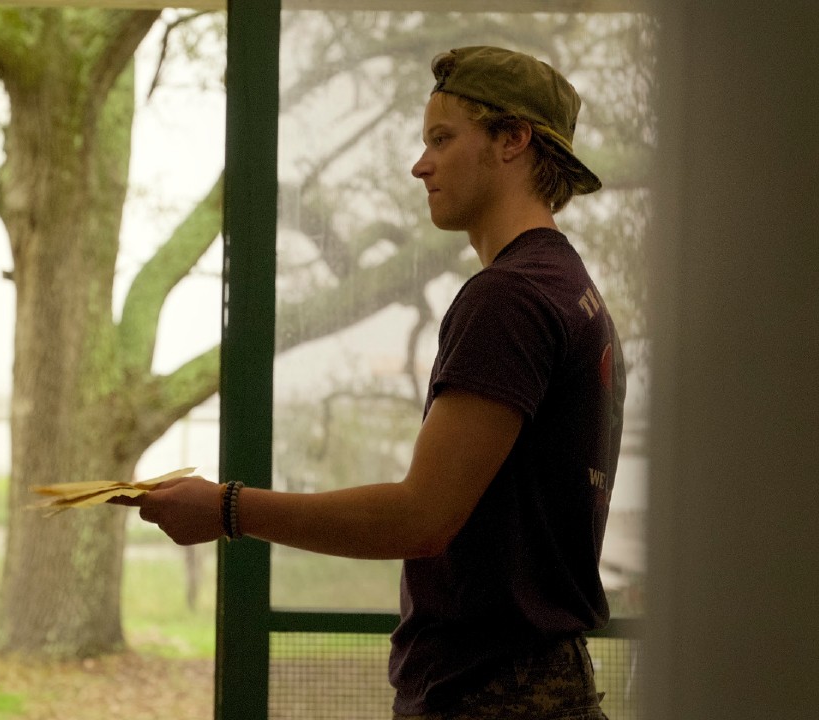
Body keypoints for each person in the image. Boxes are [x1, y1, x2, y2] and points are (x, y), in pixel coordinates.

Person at [119, 46, 626, 719]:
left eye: (442, 140)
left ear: (513, 140)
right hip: (536, 680)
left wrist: (228, 509)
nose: (421, 164)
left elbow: (421, 517)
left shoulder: (509, 299)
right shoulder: (571, 290)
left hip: (491, 696)